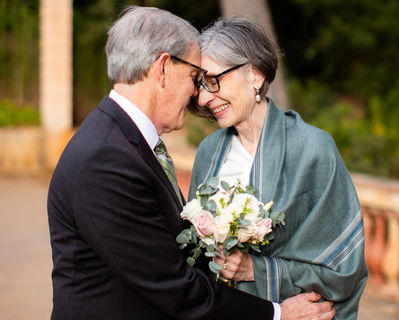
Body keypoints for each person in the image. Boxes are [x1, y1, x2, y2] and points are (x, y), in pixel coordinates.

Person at [47, 6, 336, 320]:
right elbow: (171, 284)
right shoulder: (106, 157)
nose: (198, 95)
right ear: (164, 68)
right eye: (196, 77)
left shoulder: (124, 143)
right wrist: (277, 314)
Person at [188, 17, 368, 319]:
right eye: (201, 85)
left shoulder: (313, 149)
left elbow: (343, 269)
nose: (205, 98)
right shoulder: (209, 153)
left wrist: (256, 270)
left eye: (214, 81)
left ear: (255, 75)